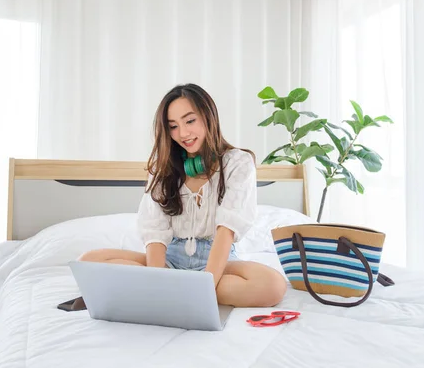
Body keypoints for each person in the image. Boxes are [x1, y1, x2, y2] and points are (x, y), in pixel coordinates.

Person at [79, 83, 287, 308]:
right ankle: (170, 289)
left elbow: (226, 230)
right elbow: (155, 234)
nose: (183, 134)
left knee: (272, 286)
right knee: (88, 262)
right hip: (170, 261)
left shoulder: (237, 163)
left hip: (218, 261)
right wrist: (158, 279)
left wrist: (206, 286)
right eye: (173, 126)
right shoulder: (163, 168)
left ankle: (173, 291)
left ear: (208, 117)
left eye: (190, 121)